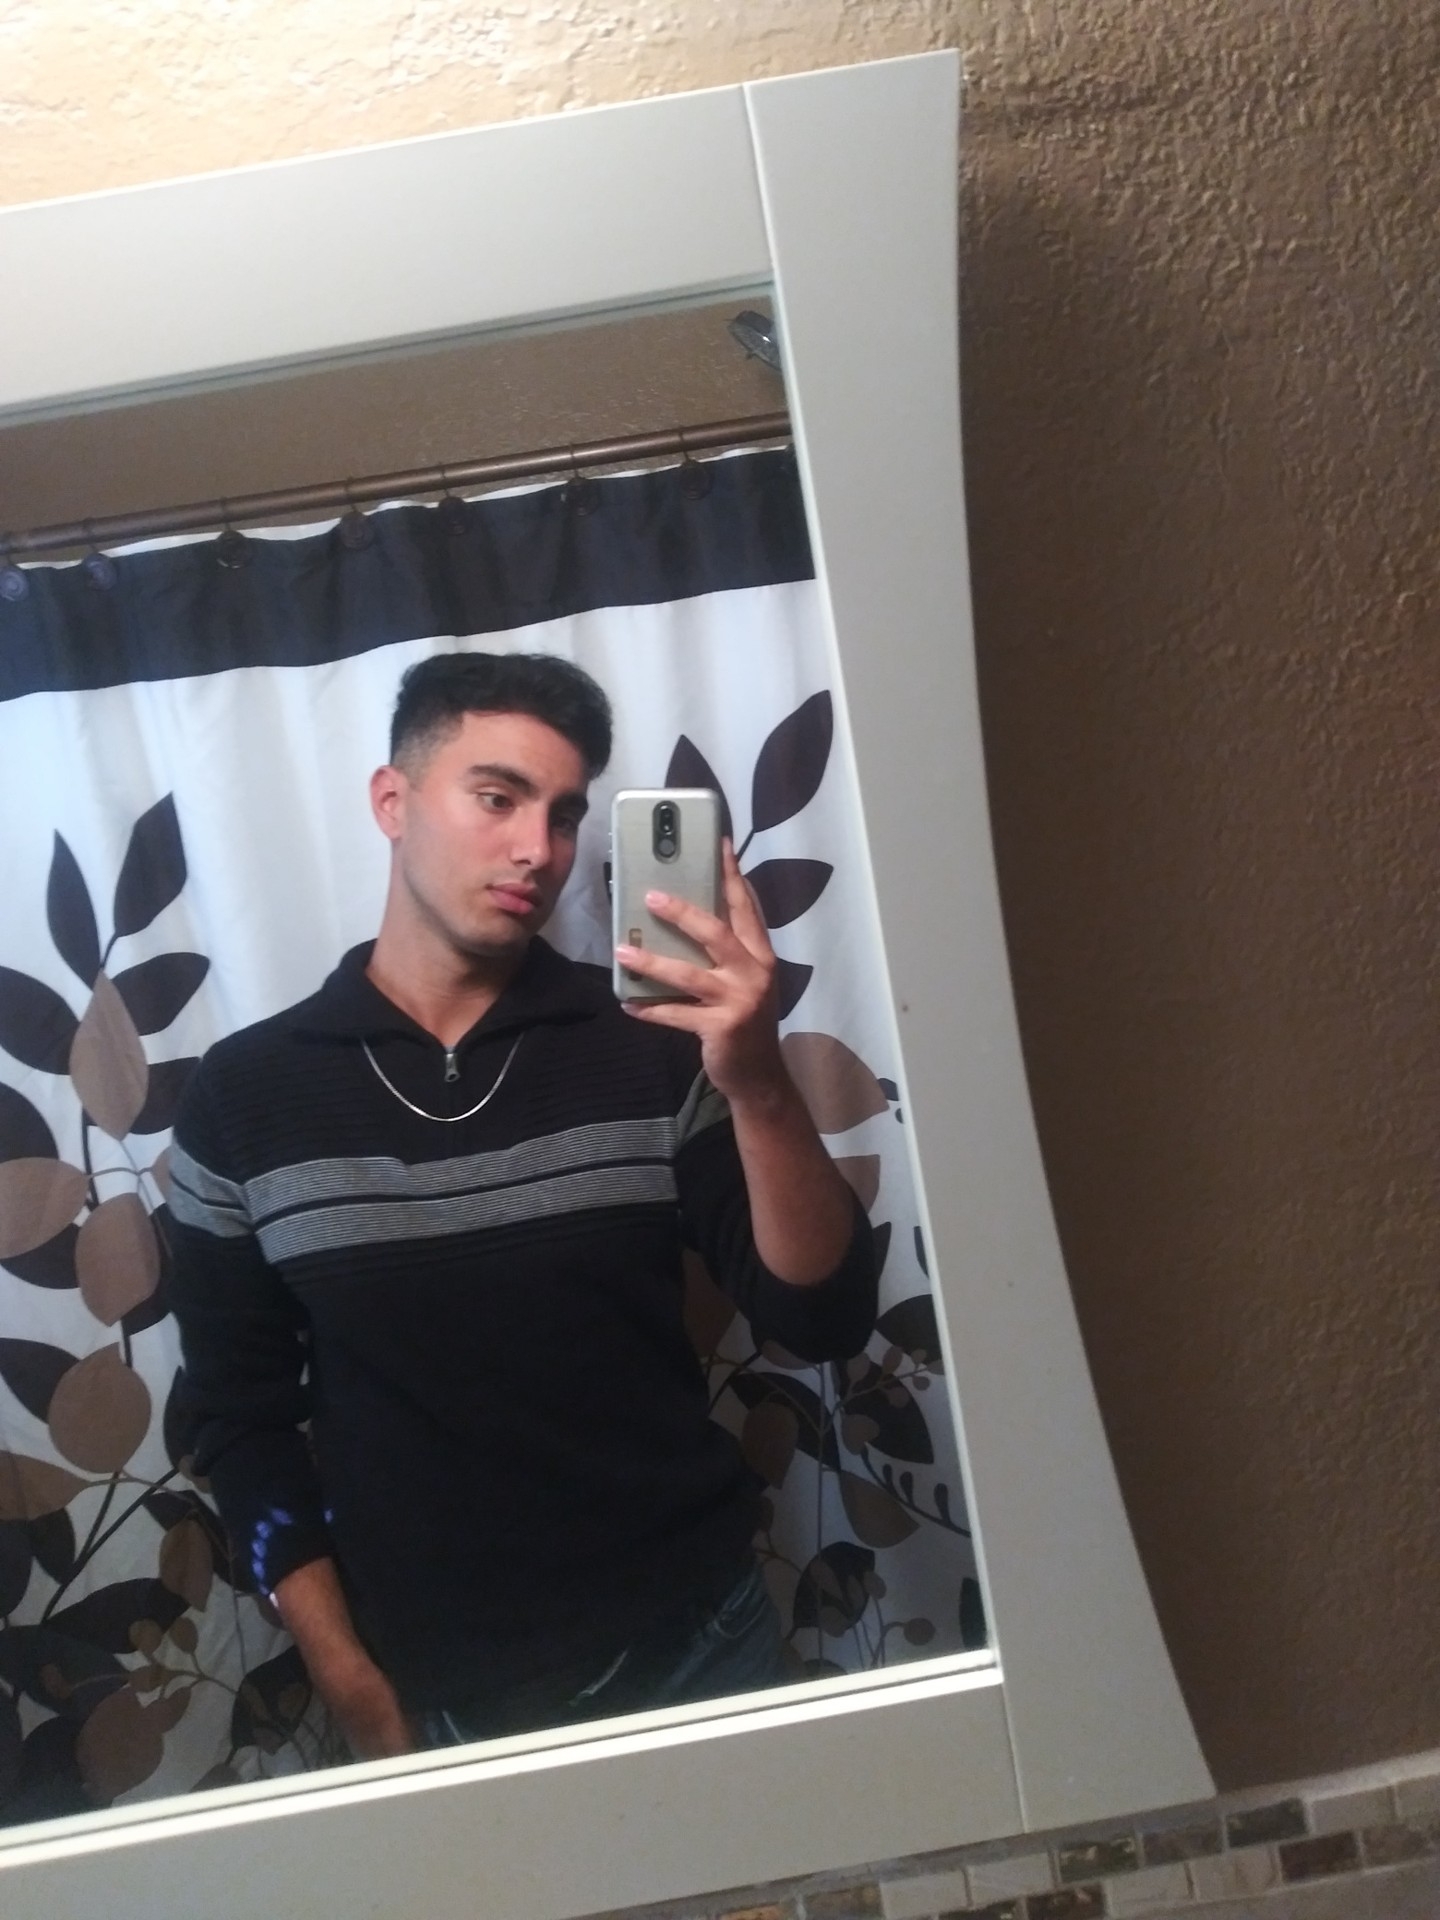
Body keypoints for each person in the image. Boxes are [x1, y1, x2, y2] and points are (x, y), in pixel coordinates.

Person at [167, 651, 877, 1759]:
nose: (538, 849)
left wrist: (757, 1079)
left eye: (564, 814)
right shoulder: (244, 1097)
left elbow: (821, 1316)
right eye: (497, 798)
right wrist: (348, 1680)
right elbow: (235, 1418)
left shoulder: (651, 1047)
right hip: (436, 1698)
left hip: (704, 1643)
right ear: (392, 801)